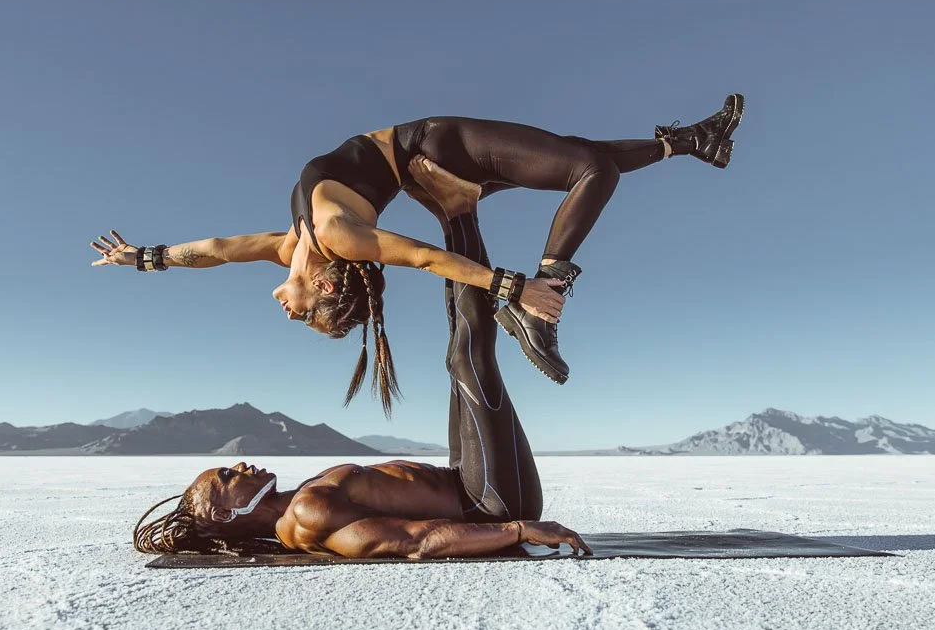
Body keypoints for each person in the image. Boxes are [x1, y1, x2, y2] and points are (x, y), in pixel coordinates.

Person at [92, 94, 744, 412]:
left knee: (581, 153)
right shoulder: (334, 238)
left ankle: (691, 142)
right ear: (323, 286)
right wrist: (515, 288)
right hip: (435, 148)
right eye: (303, 317)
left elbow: (210, 251)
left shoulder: (290, 245)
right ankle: (554, 285)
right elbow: (426, 257)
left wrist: (142, 258)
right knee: (590, 170)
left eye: (295, 318)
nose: (284, 313)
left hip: (429, 162)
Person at [133, 165, 590, 559]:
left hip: (477, 486)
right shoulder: (307, 515)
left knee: (462, 361)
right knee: (466, 359)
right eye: (229, 476)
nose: (243, 465)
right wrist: (517, 531)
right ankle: (459, 209)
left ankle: (460, 213)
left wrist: (151, 257)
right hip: (488, 503)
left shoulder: (301, 499)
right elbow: (414, 541)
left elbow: (222, 248)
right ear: (224, 513)